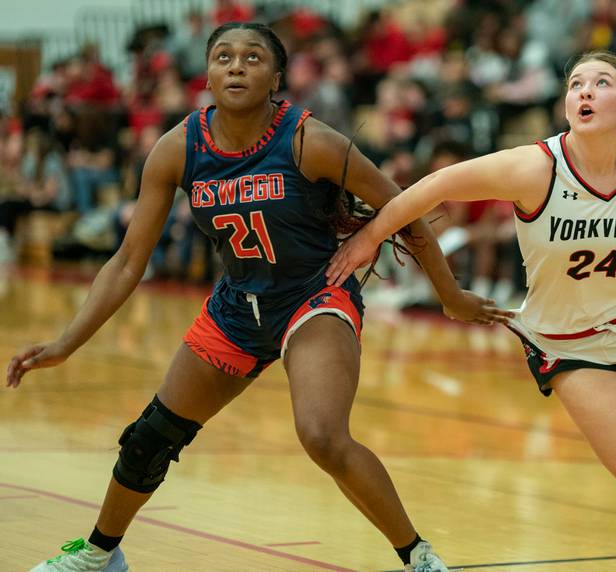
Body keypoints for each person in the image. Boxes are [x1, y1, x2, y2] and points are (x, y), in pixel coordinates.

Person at [7, 22, 509, 572]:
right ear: (207, 75)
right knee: (149, 438)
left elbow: (406, 209)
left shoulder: (309, 140)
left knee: (321, 435)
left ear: (275, 77)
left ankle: (418, 557)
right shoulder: (177, 148)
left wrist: (450, 296)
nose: (236, 66)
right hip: (237, 306)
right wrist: (66, 343)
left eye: (252, 57)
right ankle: (100, 555)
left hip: (314, 298)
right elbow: (128, 260)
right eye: (223, 57)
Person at [327, 50, 616, 572]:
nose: (584, 91)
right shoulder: (533, 168)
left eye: (600, 83)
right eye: (576, 83)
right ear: (565, 104)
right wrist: (370, 237)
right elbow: (436, 185)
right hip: (572, 343)